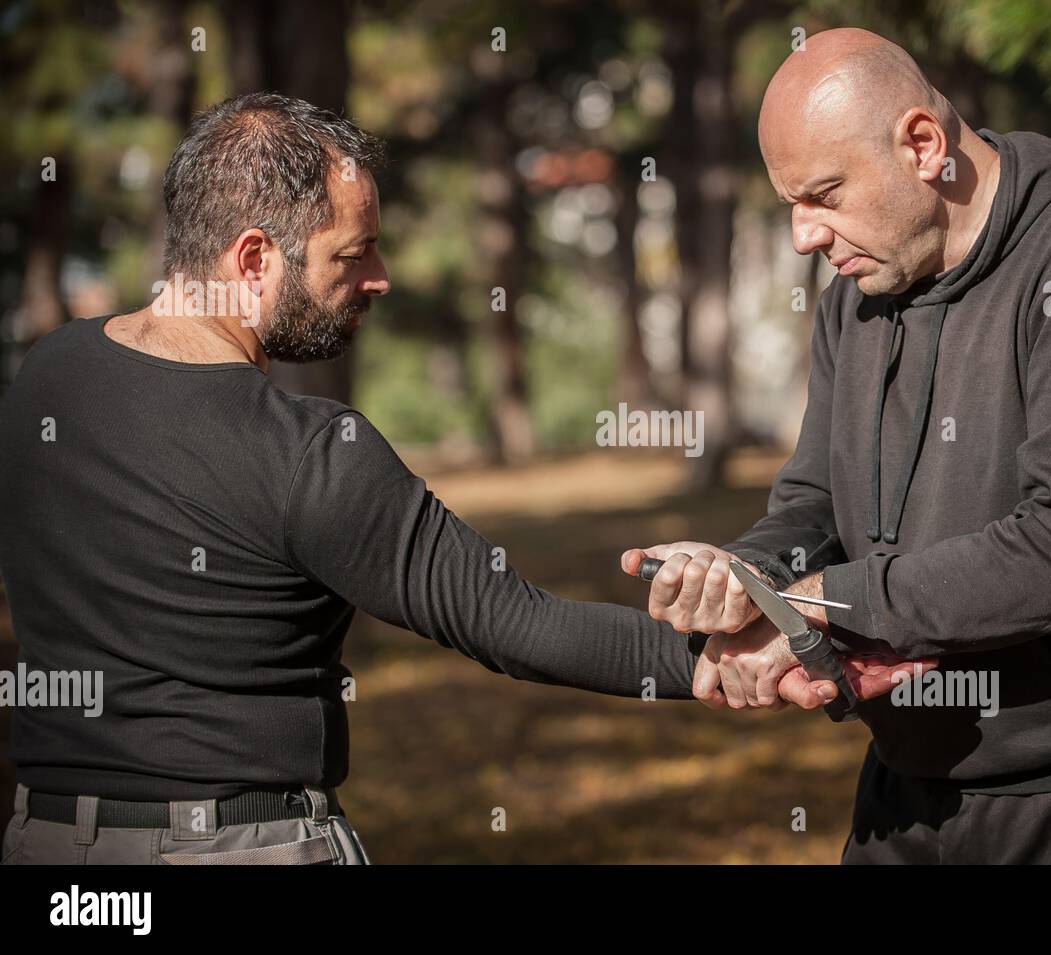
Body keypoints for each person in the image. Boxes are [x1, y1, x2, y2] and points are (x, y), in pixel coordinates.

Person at [0, 92, 913, 866]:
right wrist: (761, 654)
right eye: (351, 255)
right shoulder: (310, 454)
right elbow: (515, 624)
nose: (380, 278)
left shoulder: (49, 376)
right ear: (252, 259)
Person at [623, 28, 1051, 864]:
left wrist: (824, 607)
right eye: (791, 202)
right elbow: (814, 503)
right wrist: (748, 579)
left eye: (823, 194)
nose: (803, 236)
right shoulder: (858, 294)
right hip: (912, 788)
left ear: (924, 144)